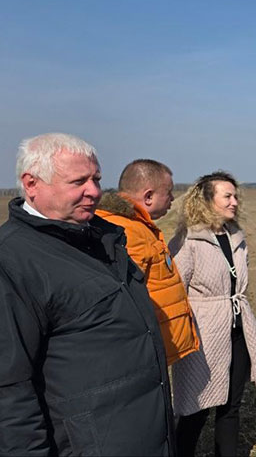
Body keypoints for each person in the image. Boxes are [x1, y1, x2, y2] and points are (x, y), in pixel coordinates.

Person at [0, 133, 175, 455]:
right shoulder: (12, 262)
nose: (94, 191)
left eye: (96, 179)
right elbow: (9, 390)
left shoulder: (105, 240)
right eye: (78, 181)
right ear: (31, 184)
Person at [169, 171, 256, 457]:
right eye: (227, 196)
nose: (234, 202)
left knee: (231, 407)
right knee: (196, 408)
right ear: (206, 200)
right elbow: (174, 290)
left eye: (235, 196)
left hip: (238, 331)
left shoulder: (236, 237)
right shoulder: (187, 241)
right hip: (202, 335)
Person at [96, 159, 199, 365]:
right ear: (149, 196)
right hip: (142, 354)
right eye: (168, 192)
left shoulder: (137, 226)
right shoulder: (126, 232)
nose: (172, 198)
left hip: (150, 350)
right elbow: (123, 302)